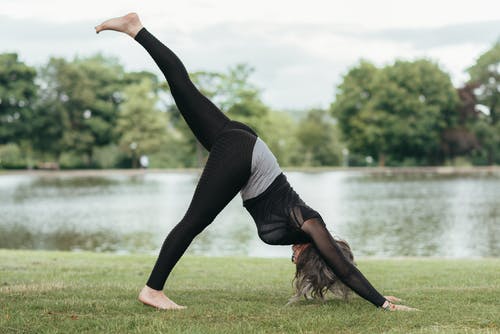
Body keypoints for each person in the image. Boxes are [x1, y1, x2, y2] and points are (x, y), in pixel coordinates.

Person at [95, 13, 417, 311]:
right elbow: (342, 265)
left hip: (243, 146)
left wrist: (376, 292)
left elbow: (343, 266)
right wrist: (383, 304)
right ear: (318, 254)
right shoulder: (309, 223)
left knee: (183, 89)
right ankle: (152, 290)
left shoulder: (302, 228)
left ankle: (135, 29)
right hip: (242, 155)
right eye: (307, 262)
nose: (295, 262)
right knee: (194, 221)